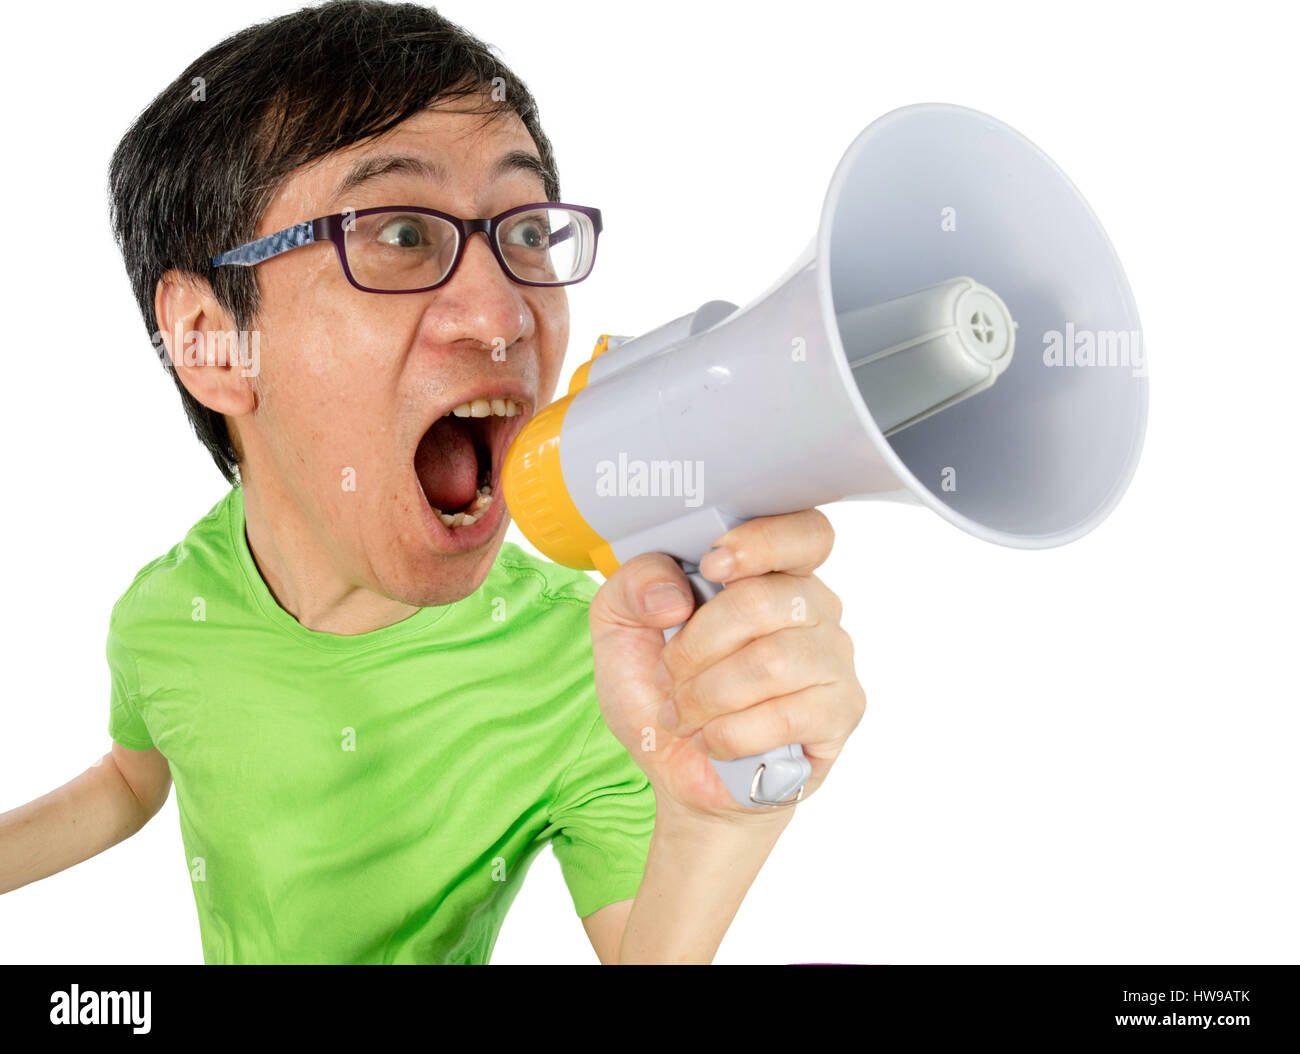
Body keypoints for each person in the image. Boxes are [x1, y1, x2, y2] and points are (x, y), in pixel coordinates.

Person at [0, 0, 865, 964]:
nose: (504, 316)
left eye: (526, 232)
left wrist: (718, 824)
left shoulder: (598, 661)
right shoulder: (163, 612)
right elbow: (131, 781)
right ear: (211, 341)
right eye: (402, 234)